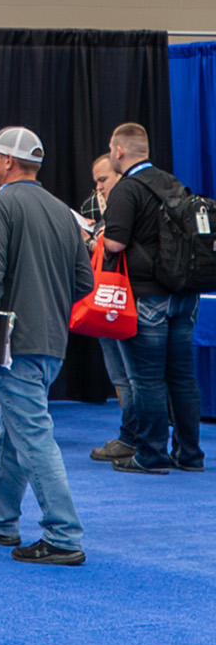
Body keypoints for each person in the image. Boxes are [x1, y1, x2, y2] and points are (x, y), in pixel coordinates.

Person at [0, 126, 92, 565]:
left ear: (7, 162)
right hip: (52, 341)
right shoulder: (62, 211)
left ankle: (63, 534)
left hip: (12, 342)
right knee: (15, 429)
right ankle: (0, 518)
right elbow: (84, 281)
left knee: (32, 435)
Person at [102, 122, 204, 474]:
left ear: (119, 151)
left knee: (147, 380)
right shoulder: (173, 183)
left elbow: (115, 243)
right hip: (184, 294)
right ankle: (189, 454)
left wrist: (97, 237)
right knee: (182, 378)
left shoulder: (127, 189)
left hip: (147, 298)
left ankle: (151, 455)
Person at [81, 153, 138, 463]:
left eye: (103, 180)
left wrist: (91, 241)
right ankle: (132, 435)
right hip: (115, 301)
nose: (99, 188)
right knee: (121, 376)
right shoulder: (110, 207)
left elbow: (115, 248)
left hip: (125, 302)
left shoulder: (127, 203)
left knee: (130, 376)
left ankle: (133, 438)